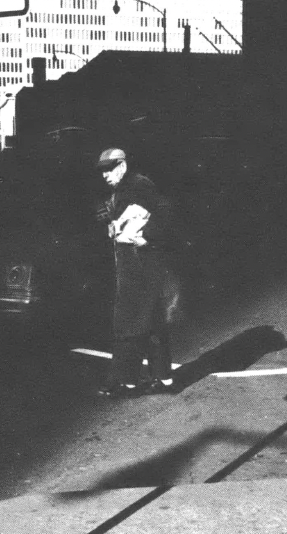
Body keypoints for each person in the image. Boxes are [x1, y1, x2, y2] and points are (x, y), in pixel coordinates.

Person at [94, 148, 176, 397]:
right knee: (151, 323)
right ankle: (164, 379)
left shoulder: (138, 184)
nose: (105, 175)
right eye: (102, 171)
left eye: (109, 169)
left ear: (122, 166)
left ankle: (124, 382)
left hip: (139, 265)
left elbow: (165, 211)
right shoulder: (124, 188)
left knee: (128, 324)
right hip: (136, 265)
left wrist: (147, 237)